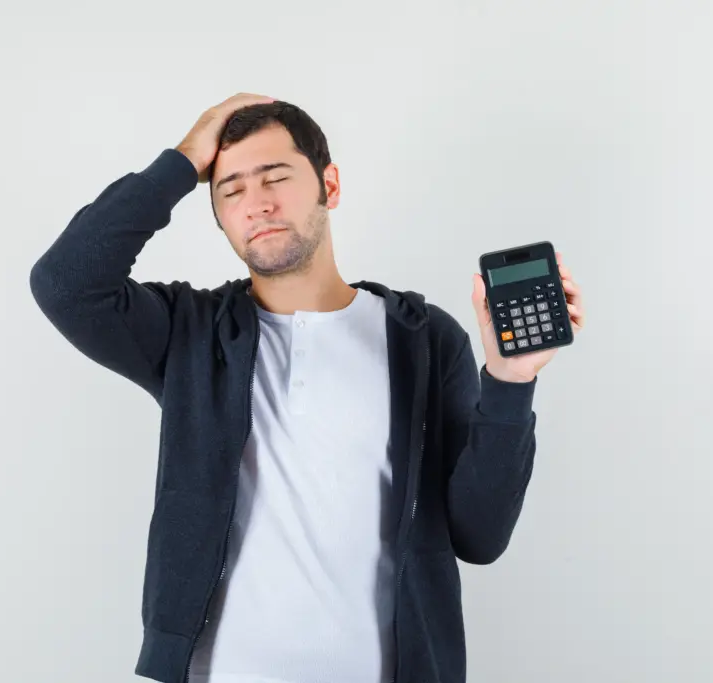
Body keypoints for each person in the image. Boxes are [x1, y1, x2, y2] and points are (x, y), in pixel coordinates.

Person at [29, 92, 585, 683]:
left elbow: (480, 536)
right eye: (231, 190)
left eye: (276, 177)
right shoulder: (188, 334)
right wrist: (184, 161)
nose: (257, 203)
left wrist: (510, 380)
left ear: (330, 185)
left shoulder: (422, 338)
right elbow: (65, 283)